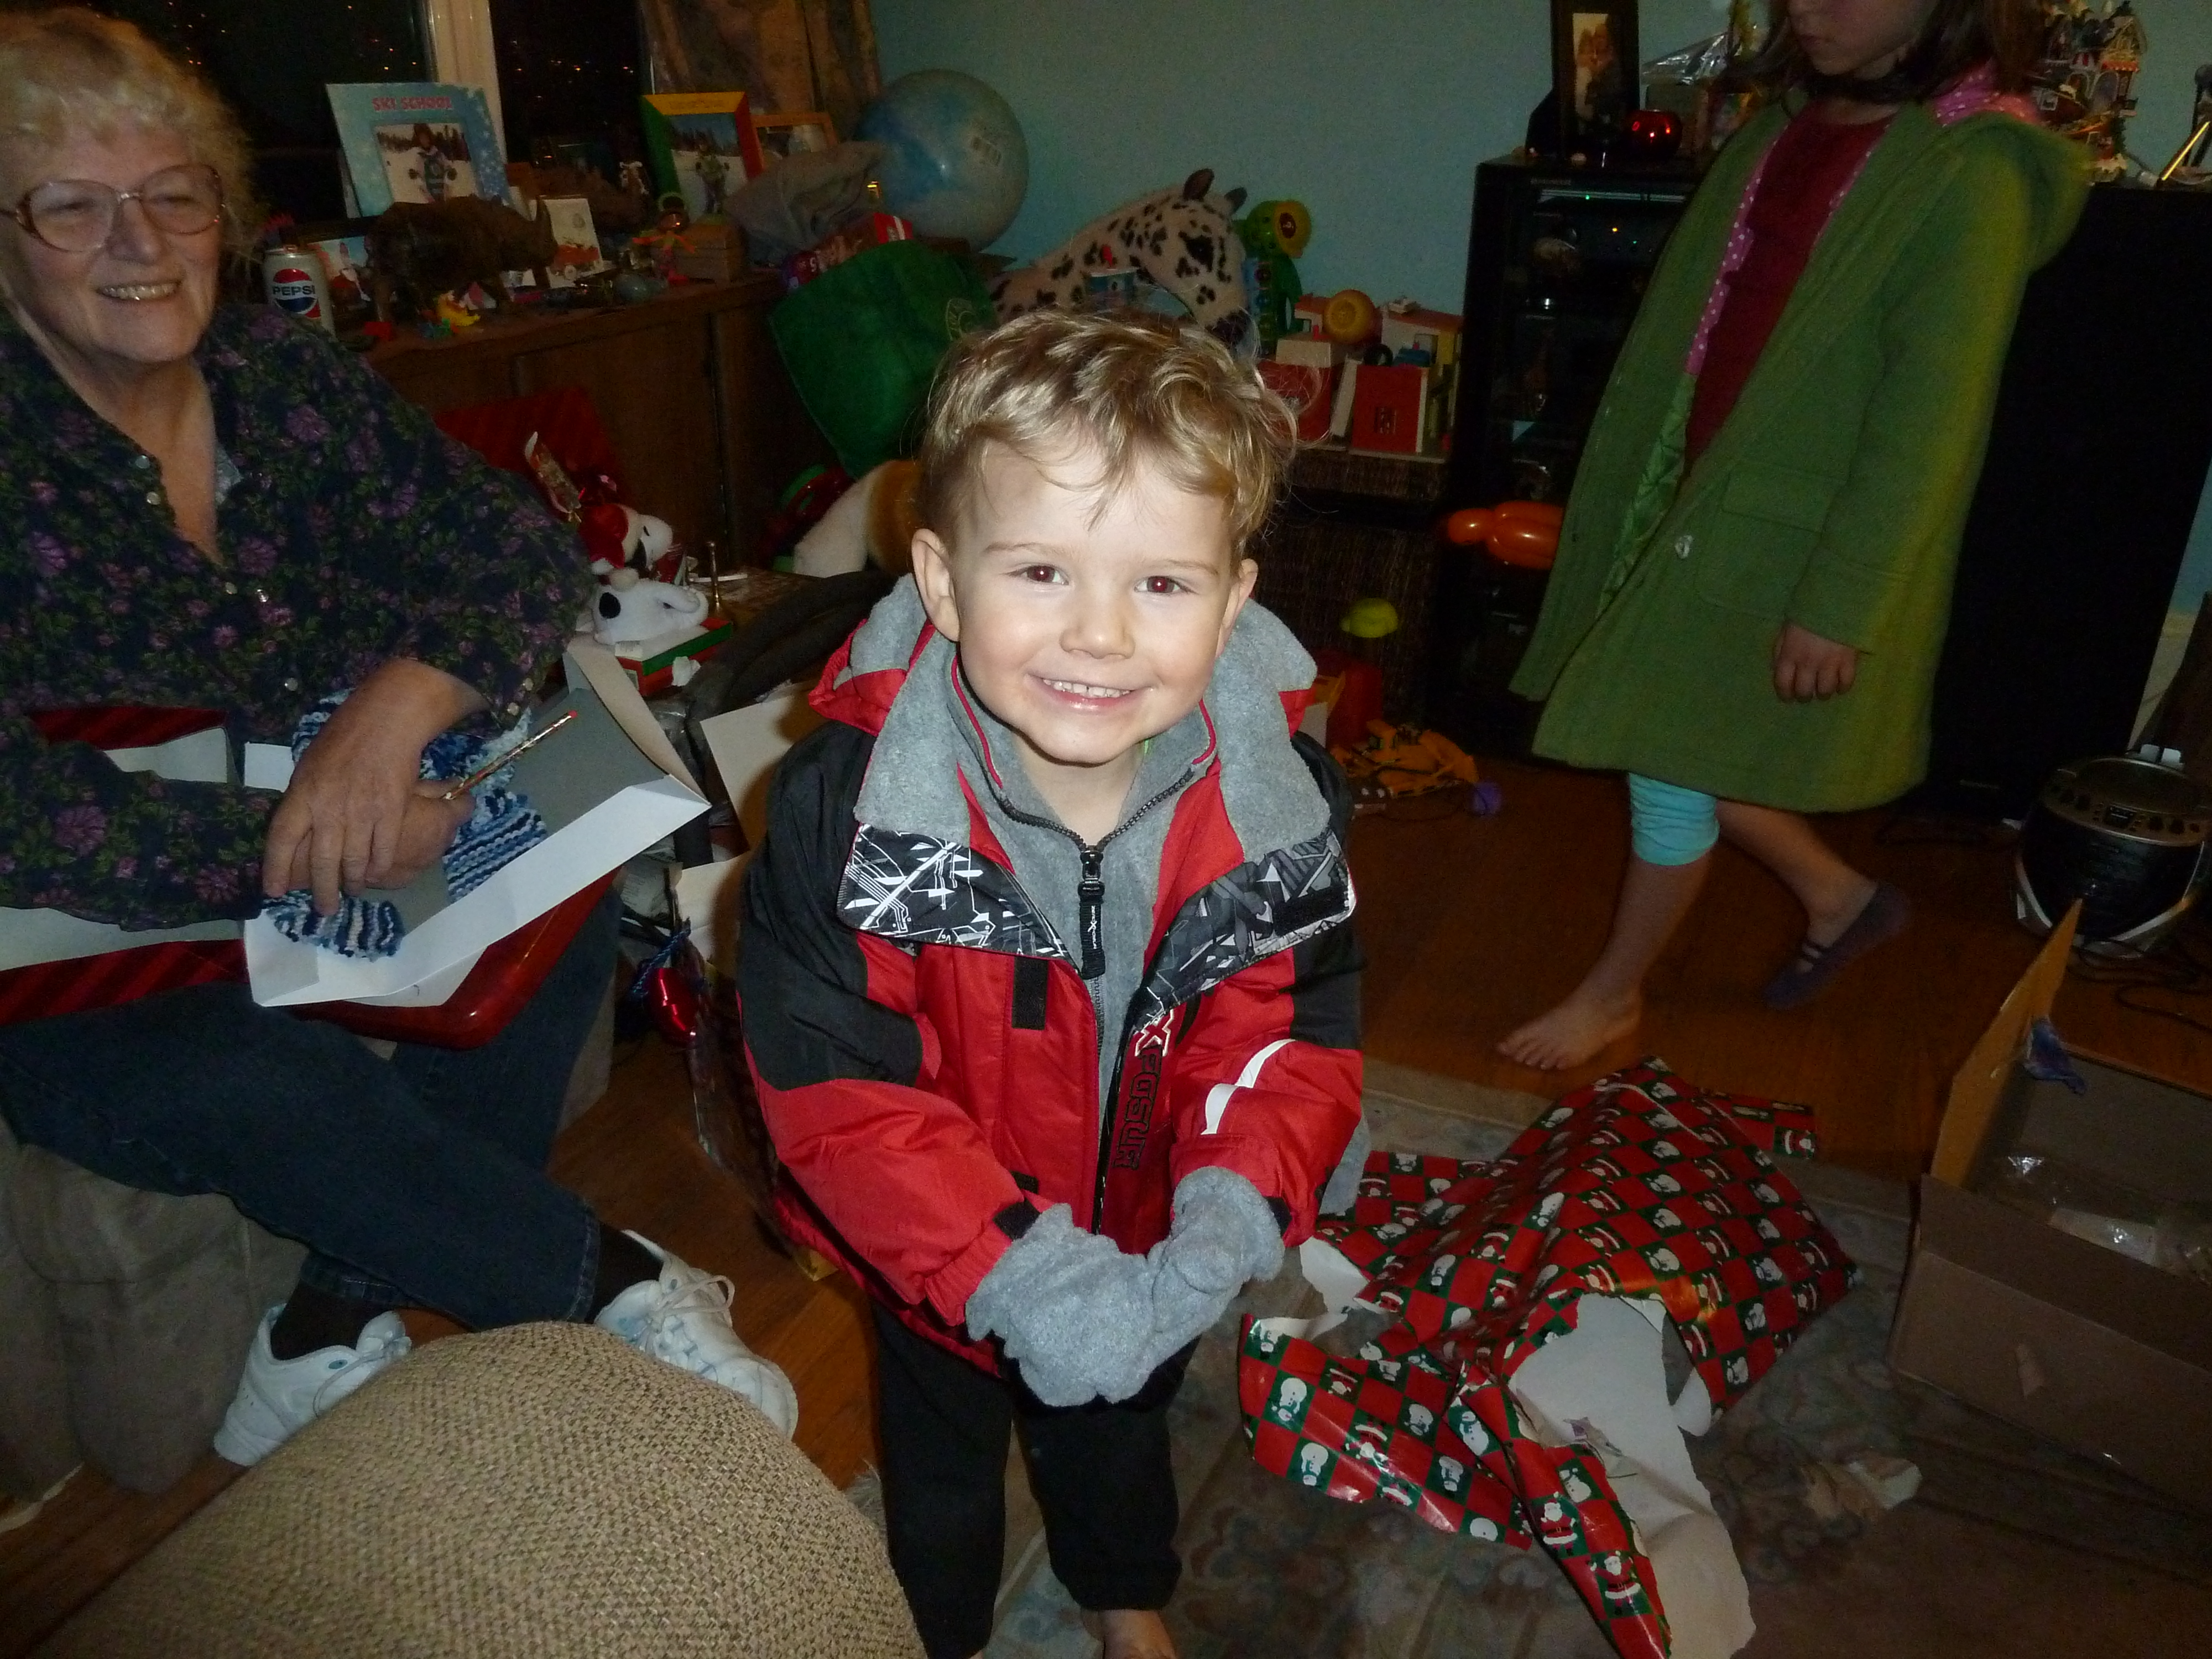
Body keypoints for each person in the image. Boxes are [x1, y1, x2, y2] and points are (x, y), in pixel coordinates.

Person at [0, 8, 795, 1463]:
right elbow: (20, 815)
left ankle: (320, 1331)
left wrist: (394, 713)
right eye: (72, 204)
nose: (140, 242)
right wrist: (299, 840)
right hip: (86, 942)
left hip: (341, 837)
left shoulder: (276, 378)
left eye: (174, 194)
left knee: (558, 888)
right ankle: (605, 1286)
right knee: (242, 1075)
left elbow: (518, 548)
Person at [737, 310, 1365, 1659]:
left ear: (1232, 604)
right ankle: (940, 1632)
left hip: (1145, 1226)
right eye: (1038, 570)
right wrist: (1011, 1274)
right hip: (942, 1253)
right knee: (941, 1471)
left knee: (1118, 1430)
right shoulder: (852, 813)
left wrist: (1228, 1208)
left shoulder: (1276, 809)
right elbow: (836, 1089)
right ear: (942, 581)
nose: (1097, 635)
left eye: (1161, 584)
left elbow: (1289, 1034)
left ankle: (1120, 1589)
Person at [1499, 0, 2089, 1070]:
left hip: (1783, 533)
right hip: (1694, 494)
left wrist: (1842, 599)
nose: (1807, 6)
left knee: (1663, 756)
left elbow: (1929, 426)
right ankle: (1838, 896)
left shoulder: (1970, 176)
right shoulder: (1790, 123)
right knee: (1672, 732)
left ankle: (1614, 995)